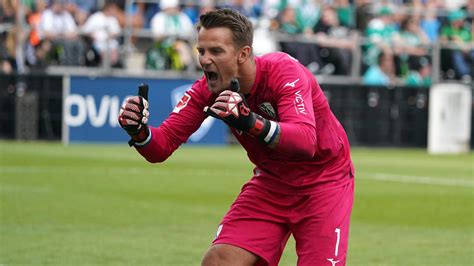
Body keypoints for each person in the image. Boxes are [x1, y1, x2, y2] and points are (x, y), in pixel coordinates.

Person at [118, 9, 354, 266]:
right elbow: (160, 147)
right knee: (219, 260)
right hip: (272, 181)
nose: (205, 60)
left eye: (216, 51)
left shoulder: (284, 72)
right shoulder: (207, 89)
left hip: (323, 182)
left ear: (244, 54)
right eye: (201, 51)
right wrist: (139, 131)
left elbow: (305, 142)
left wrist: (251, 122)